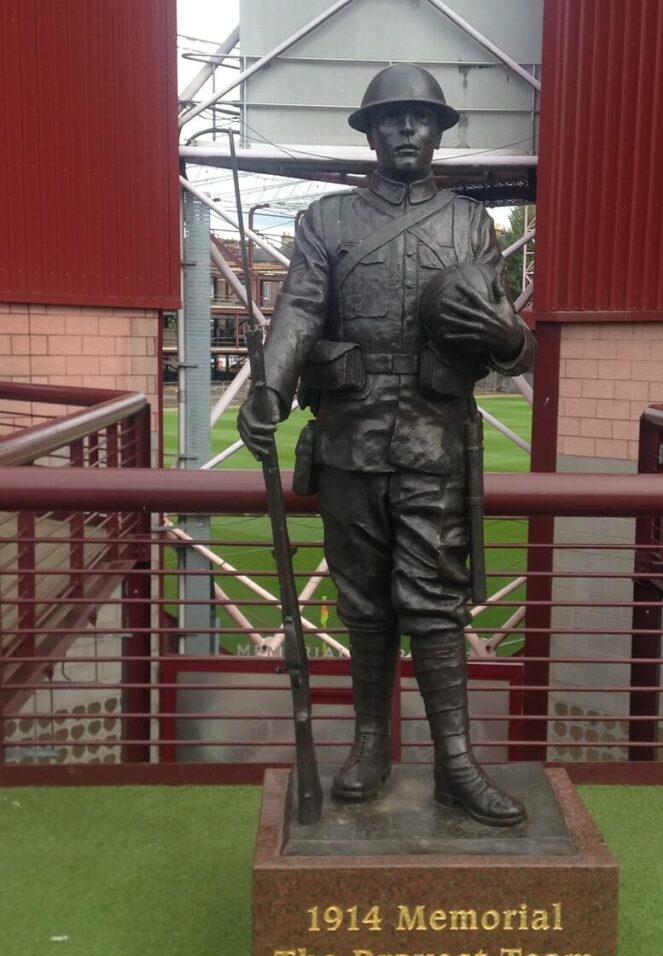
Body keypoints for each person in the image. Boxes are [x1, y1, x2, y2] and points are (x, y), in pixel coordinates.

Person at [238, 64, 534, 826]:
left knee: (435, 605)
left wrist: (511, 338)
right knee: (364, 604)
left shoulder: (474, 224)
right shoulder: (326, 221)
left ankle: (456, 765)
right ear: (370, 131)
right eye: (393, 118)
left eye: (421, 118)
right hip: (349, 441)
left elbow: (506, 341)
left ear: (438, 131)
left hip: (436, 442)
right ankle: (369, 743)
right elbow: (299, 311)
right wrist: (270, 387)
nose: (407, 130)